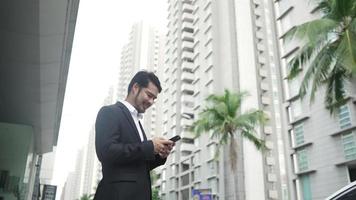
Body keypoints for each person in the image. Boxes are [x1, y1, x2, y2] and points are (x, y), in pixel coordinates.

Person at [94, 71, 174, 200]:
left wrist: (159, 155)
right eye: (149, 95)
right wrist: (149, 146)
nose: (151, 101)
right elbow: (106, 151)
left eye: (154, 98)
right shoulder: (109, 112)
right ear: (135, 88)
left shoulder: (137, 121)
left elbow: (137, 165)